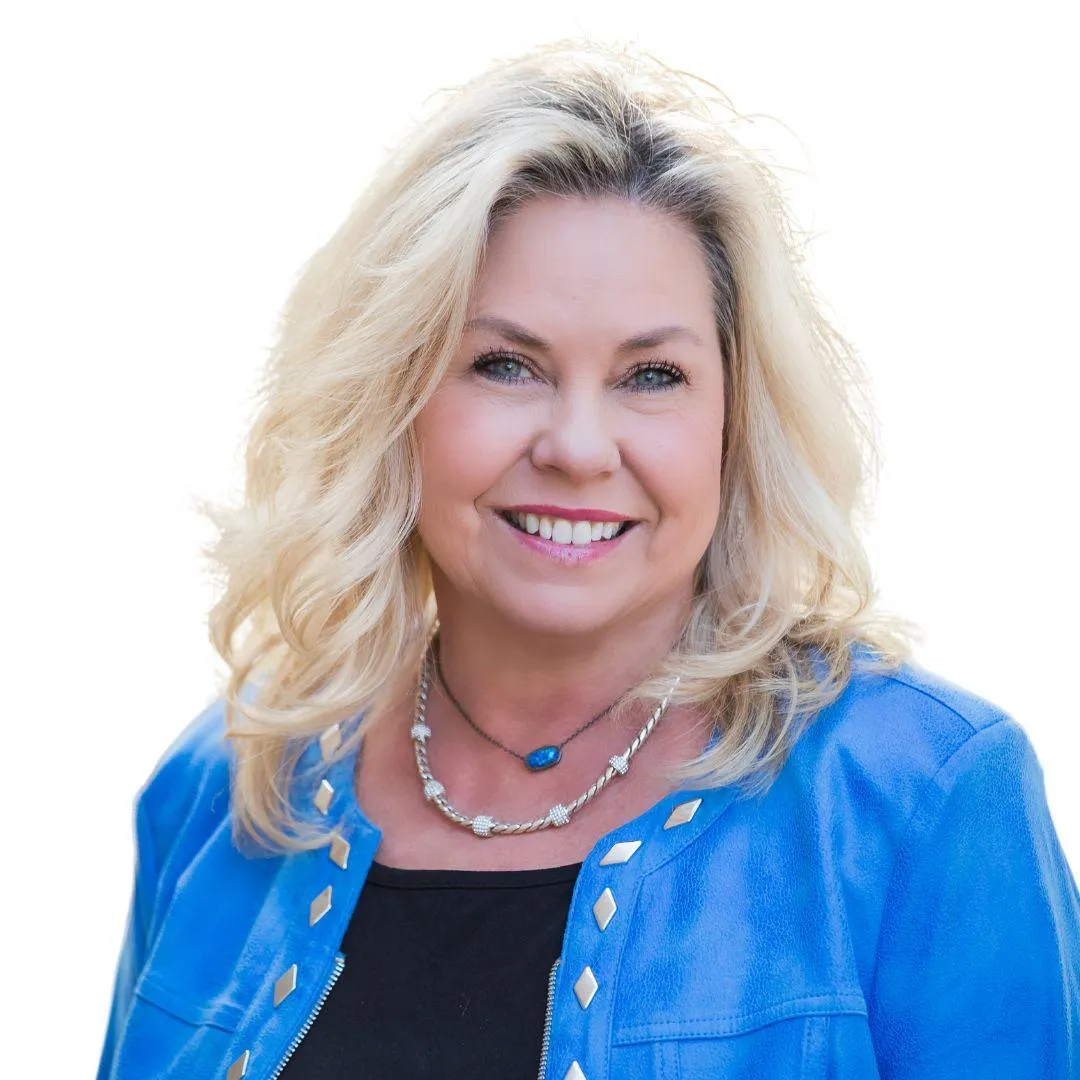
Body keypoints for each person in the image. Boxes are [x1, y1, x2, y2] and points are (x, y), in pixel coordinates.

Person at [96, 39, 1079, 1080]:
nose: (576, 447)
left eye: (651, 375)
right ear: (390, 401)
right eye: (504, 365)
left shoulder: (921, 794)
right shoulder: (231, 781)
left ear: (735, 423)